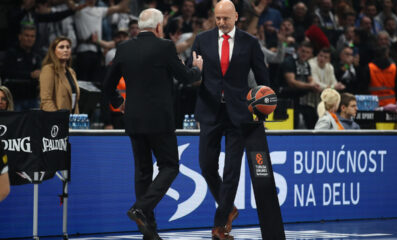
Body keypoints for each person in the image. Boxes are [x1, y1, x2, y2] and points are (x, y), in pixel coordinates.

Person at [103, 8, 203, 240]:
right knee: (170, 167)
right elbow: (186, 77)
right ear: (159, 28)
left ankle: (150, 232)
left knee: (143, 171)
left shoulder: (124, 48)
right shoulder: (165, 46)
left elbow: (107, 84)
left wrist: (120, 101)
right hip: (160, 121)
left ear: (139, 26)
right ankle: (141, 208)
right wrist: (197, 68)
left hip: (134, 120)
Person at [189, 0, 269, 239]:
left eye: (226, 18)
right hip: (209, 112)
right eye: (218, 19)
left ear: (236, 16)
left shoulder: (250, 42)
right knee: (206, 166)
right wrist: (194, 70)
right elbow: (190, 73)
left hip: (239, 113)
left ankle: (219, 224)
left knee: (232, 170)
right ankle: (229, 208)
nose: (221, 23)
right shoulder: (202, 39)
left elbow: (264, 78)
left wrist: (263, 106)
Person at [2, 25, 42, 111]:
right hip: (16, 98)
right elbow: (7, 73)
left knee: (34, 123)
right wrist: (30, 74)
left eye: (32, 36)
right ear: (20, 37)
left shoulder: (37, 54)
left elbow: (39, 71)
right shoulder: (11, 53)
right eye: (27, 35)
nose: (29, 38)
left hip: (33, 97)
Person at [39, 36, 80, 113]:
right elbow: (46, 100)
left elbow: (75, 101)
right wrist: (57, 118)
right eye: (61, 47)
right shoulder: (48, 69)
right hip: (56, 120)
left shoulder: (71, 72)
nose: (66, 50)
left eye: (68, 47)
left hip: (72, 120)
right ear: (53, 51)